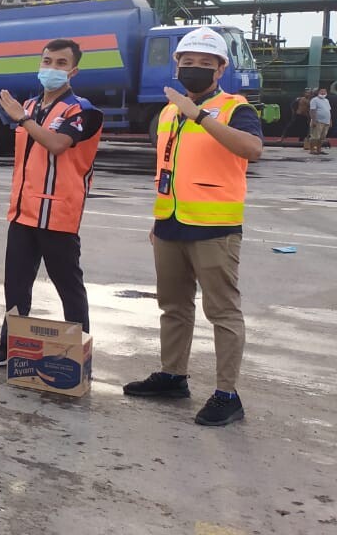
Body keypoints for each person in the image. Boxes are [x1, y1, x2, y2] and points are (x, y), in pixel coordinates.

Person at [123, 26, 264, 427]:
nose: (195, 68)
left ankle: (227, 394)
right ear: (177, 66)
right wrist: (158, 220)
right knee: (173, 306)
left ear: (220, 70)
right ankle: (173, 376)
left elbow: (253, 149)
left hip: (214, 227)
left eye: (206, 63)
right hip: (170, 224)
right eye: (188, 62)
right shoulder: (170, 111)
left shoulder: (235, 108)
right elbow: (168, 167)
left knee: (222, 311)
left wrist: (199, 116)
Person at [0, 38, 103, 367]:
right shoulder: (31, 105)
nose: (52, 68)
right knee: (15, 284)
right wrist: (25, 116)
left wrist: (23, 120)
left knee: (68, 285)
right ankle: (8, 343)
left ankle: (78, 351)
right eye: (47, 61)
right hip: (23, 212)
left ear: (73, 71)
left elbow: (57, 144)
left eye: (61, 63)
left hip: (58, 212)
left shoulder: (82, 110)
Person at [309, 86, 331, 154]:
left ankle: (319, 150)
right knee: (315, 137)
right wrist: (314, 121)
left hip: (326, 122)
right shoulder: (314, 100)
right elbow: (312, 111)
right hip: (318, 121)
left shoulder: (326, 100)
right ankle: (312, 150)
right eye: (321, 91)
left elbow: (328, 110)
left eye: (324, 91)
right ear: (318, 92)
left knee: (322, 137)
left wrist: (330, 121)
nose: (323, 92)